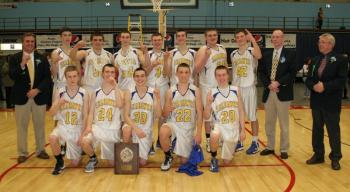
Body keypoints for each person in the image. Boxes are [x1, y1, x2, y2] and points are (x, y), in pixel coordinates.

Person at [305, 33, 348, 170]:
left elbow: (341, 81)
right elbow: (309, 79)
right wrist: (313, 86)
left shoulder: (341, 59)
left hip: (331, 102)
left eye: (323, 42)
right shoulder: (315, 59)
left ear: (331, 44)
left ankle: (335, 157)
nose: (320, 44)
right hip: (316, 101)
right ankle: (318, 155)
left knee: (333, 131)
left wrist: (325, 86)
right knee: (317, 130)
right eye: (319, 42)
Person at [9, 32, 52, 163]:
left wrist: (37, 90)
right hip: (21, 98)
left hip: (39, 97)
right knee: (22, 126)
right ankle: (22, 153)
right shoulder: (15, 58)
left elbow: (47, 78)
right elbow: (12, 76)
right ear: (23, 43)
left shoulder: (42, 58)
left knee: (40, 125)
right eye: (27, 41)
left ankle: (41, 150)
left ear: (35, 43)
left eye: (32, 41)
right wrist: (22, 64)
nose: (30, 43)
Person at [258, 29, 296, 159]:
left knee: (284, 123)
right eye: (273, 37)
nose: (275, 39)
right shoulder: (267, 54)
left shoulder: (290, 54)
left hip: (282, 92)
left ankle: (284, 149)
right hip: (269, 92)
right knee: (269, 122)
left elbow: (292, 73)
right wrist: (268, 84)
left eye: (278, 37)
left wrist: (278, 83)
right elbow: (261, 72)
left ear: (283, 39)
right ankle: (270, 146)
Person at [159, 63, 202, 171]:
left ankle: (179, 144)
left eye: (186, 72)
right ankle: (168, 156)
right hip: (174, 125)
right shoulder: (170, 91)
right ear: (176, 74)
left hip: (188, 128)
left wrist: (199, 133)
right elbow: (164, 115)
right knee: (163, 131)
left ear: (190, 74)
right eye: (181, 72)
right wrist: (166, 111)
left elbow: (200, 114)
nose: (183, 75)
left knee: (184, 161)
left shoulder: (196, 90)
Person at [80, 64, 123, 173]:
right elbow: (91, 113)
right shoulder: (96, 92)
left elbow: (119, 104)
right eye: (107, 72)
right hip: (98, 127)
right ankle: (93, 158)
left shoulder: (119, 91)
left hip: (112, 131)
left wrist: (116, 86)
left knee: (111, 164)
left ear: (115, 75)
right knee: (84, 140)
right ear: (102, 74)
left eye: (112, 72)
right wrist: (88, 127)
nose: (109, 74)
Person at [204, 65, 245, 172]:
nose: (221, 78)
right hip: (220, 125)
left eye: (224, 75)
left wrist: (243, 130)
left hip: (233, 128)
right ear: (215, 77)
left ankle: (229, 145)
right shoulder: (212, 92)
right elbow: (206, 116)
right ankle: (213, 158)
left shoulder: (236, 90)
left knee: (227, 162)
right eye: (219, 75)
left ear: (228, 75)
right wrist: (208, 104)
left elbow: (241, 111)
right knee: (214, 134)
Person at [48, 65, 89, 175]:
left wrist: (83, 134)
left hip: (76, 128)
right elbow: (51, 113)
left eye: (74, 76)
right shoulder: (60, 91)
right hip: (63, 126)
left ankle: (76, 151)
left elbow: (85, 115)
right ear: (65, 77)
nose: (72, 79)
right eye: (69, 76)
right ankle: (59, 162)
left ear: (78, 77)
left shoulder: (84, 92)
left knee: (75, 164)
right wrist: (57, 104)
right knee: (52, 137)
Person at [195, 28, 228, 153]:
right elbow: (196, 70)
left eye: (214, 35)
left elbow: (224, 65)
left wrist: (226, 83)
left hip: (221, 86)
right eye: (210, 35)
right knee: (208, 117)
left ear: (217, 36)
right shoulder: (203, 50)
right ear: (205, 37)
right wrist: (205, 57)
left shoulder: (222, 48)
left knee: (220, 114)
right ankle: (209, 141)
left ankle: (220, 137)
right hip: (207, 87)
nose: (213, 37)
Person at [230, 29, 262, 154]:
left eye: (242, 36)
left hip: (249, 87)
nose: (240, 39)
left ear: (246, 37)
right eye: (237, 37)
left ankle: (255, 142)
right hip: (237, 88)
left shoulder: (251, 50)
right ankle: (239, 141)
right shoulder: (233, 54)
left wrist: (253, 39)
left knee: (252, 116)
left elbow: (259, 56)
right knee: (237, 117)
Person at [122, 67, 162, 165]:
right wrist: (136, 129)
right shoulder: (129, 92)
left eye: (142, 76)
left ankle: (147, 146)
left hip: (145, 130)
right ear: (134, 78)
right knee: (126, 130)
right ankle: (130, 150)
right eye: (137, 76)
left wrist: (158, 98)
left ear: (146, 77)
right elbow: (126, 116)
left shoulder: (153, 92)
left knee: (142, 163)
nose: (140, 78)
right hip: (132, 127)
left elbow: (159, 115)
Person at [145, 33, 170, 149]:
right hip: (149, 87)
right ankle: (149, 141)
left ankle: (160, 139)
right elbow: (144, 73)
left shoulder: (167, 55)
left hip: (163, 86)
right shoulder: (147, 54)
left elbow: (167, 74)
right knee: (149, 115)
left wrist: (165, 60)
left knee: (162, 116)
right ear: (152, 41)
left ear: (162, 41)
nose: (157, 42)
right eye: (155, 40)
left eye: (159, 40)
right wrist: (152, 65)